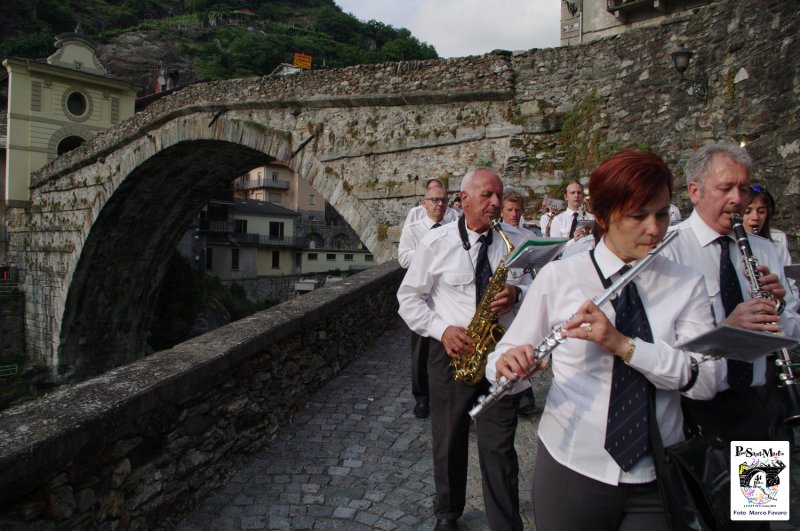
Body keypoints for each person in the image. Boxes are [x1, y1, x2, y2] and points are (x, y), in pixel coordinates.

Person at [487, 150, 723, 530]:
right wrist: (506, 362)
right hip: (572, 463)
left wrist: (626, 347)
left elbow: (710, 379)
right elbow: (502, 353)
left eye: (662, 214)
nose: (654, 228)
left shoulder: (699, 276)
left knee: (757, 513)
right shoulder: (561, 277)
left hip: (689, 451)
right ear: (603, 216)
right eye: (638, 216)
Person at [397, 167, 530, 531]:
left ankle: (506, 523)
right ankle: (448, 514)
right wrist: (441, 330)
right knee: (449, 438)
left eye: (499, 196)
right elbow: (407, 300)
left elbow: (537, 289)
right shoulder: (435, 243)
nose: (497, 203)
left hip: (501, 356)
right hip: (453, 354)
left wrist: (519, 293)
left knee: (500, 448)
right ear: (464, 199)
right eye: (487, 195)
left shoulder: (514, 243)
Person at [661, 143, 800, 446]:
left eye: (744, 189)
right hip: (686, 406)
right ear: (695, 191)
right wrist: (725, 329)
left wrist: (777, 310)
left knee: (760, 494)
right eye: (725, 188)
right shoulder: (667, 250)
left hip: (752, 403)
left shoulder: (764, 249)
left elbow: (792, 329)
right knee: (699, 494)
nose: (737, 200)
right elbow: (657, 342)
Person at [398, 186, 451, 418]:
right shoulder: (413, 229)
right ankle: (422, 399)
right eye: (435, 200)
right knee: (420, 354)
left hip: (446, 298)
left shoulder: (452, 228)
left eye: (444, 200)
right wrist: (428, 252)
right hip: (422, 299)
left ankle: (445, 398)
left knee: (445, 354)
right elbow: (403, 258)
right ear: (424, 203)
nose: (440, 204)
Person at [500, 190, 542, 417]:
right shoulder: (496, 235)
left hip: (522, 296)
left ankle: (525, 399)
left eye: (518, 210)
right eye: (509, 210)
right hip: (503, 300)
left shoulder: (528, 236)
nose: (514, 214)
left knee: (525, 346)